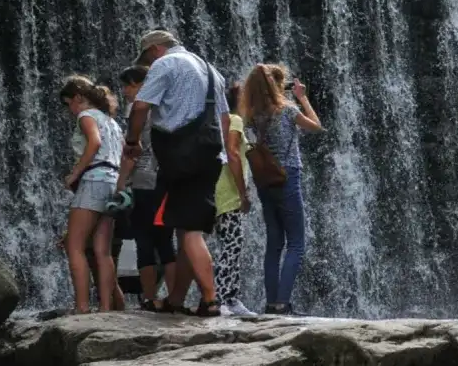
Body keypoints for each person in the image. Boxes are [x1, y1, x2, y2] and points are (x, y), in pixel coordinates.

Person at [123, 30, 228, 318]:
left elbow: (141, 106)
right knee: (185, 226)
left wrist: (132, 141)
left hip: (181, 155)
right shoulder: (211, 70)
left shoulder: (165, 64)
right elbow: (224, 118)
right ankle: (176, 299)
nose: (147, 64)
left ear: (155, 49)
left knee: (190, 232)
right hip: (210, 153)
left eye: (147, 57)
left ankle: (210, 300)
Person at [239, 63, 322, 315]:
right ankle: (282, 303)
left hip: (265, 181)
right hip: (288, 176)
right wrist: (302, 97)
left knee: (274, 243)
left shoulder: (251, 116)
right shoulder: (287, 110)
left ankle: (270, 304)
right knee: (296, 243)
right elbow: (316, 126)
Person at [60, 75, 124, 314]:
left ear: (78, 97)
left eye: (69, 104)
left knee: (74, 245)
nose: (70, 110)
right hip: (112, 182)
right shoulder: (111, 121)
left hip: (94, 180)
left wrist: (75, 173)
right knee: (102, 251)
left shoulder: (86, 116)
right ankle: (106, 308)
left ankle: (82, 307)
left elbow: (94, 143)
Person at [117, 64, 178, 311]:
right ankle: (174, 298)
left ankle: (150, 298)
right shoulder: (167, 109)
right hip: (166, 181)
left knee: (144, 241)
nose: (125, 91)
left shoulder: (138, 111)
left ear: (142, 84)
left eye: (129, 85)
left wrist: (121, 182)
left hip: (143, 182)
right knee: (166, 242)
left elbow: (132, 153)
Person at [211, 81, 254, 316]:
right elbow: (233, 155)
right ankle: (225, 299)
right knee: (232, 246)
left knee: (227, 246)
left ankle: (223, 298)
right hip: (228, 194)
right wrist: (243, 193)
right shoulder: (234, 120)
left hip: (216, 191)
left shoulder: (220, 120)